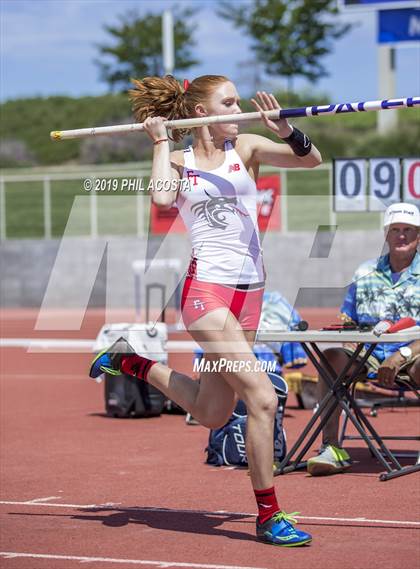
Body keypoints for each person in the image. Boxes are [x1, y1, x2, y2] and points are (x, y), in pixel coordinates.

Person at [90, 74, 322, 546]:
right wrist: (159, 142)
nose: (238, 110)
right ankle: (269, 515)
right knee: (262, 398)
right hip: (206, 296)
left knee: (213, 411)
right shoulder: (179, 159)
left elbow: (312, 160)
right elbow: (160, 197)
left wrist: (285, 129)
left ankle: (127, 360)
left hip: (250, 294)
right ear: (202, 112)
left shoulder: (250, 148)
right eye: (229, 102)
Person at [307, 202, 420, 476]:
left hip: (414, 356)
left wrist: (402, 355)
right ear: (386, 234)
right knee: (331, 358)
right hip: (367, 356)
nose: (401, 236)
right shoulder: (364, 271)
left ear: (419, 235)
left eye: (407, 230)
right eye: (395, 229)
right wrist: (348, 339)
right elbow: (347, 319)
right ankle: (331, 448)